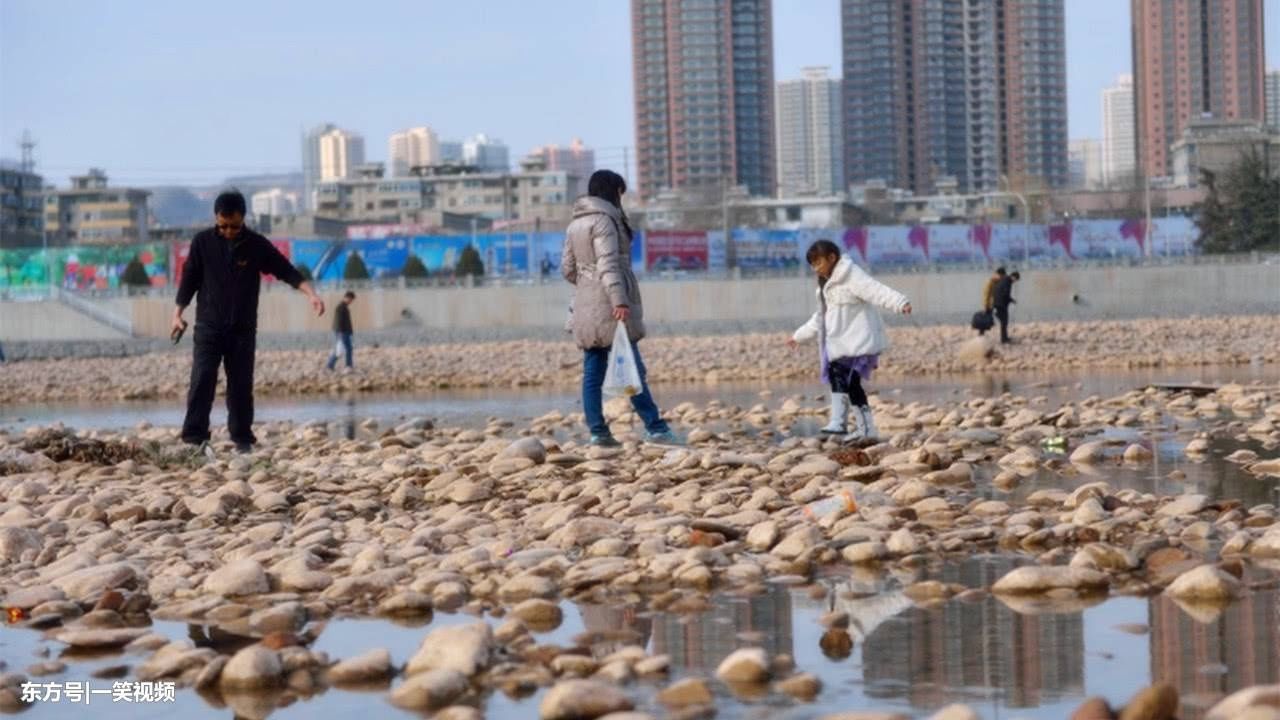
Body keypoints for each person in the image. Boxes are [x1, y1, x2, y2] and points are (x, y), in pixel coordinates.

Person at [174, 190, 324, 454]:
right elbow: (190, 278)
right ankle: (194, 437)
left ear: (243, 219)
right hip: (208, 326)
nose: (228, 231)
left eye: (234, 226)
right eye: (223, 226)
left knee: (241, 385)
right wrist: (178, 313)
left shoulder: (256, 245)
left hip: (242, 329)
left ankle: (242, 438)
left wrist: (310, 294)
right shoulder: (202, 243)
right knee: (202, 379)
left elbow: (284, 269)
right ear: (216, 219)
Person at [562, 169, 680, 447]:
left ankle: (598, 432)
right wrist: (619, 300)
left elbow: (567, 269)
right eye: (619, 192)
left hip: (585, 304)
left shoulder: (574, 224)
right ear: (611, 192)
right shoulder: (605, 221)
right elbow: (608, 264)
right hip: (611, 306)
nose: (621, 198)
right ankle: (656, 428)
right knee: (633, 369)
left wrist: (587, 287)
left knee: (592, 371)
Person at [788, 240, 912, 441]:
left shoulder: (851, 275)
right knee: (851, 384)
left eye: (818, 263)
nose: (815, 268)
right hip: (841, 344)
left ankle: (839, 421)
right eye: (812, 265)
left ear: (831, 258)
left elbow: (875, 290)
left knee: (840, 375)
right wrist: (799, 336)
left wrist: (900, 302)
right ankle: (865, 429)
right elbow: (820, 318)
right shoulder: (825, 288)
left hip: (858, 341)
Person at [326, 290, 356, 371]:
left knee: (346, 349)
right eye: (351, 299)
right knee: (341, 350)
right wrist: (340, 333)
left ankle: (346, 365)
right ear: (347, 298)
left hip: (344, 332)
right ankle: (331, 365)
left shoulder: (344, 306)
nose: (351, 302)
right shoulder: (341, 307)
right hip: (342, 332)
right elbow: (338, 321)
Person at [993, 270, 1021, 344]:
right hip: (1001, 304)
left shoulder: (1004, 280)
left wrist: (1010, 300)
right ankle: (1004, 339)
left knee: (1004, 322)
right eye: (1016, 279)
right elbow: (1005, 294)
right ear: (1013, 276)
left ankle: (1004, 337)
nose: (1015, 281)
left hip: (998, 303)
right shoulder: (1008, 282)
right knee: (1004, 322)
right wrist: (1012, 300)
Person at [978, 267, 1006, 336]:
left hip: (996, 304)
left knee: (1002, 319)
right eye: (1001, 276)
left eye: (1003, 277)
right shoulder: (990, 282)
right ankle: (981, 334)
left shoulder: (997, 282)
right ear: (997, 274)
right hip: (989, 305)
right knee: (985, 320)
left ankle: (1003, 336)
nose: (1002, 278)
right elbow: (986, 295)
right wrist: (985, 306)